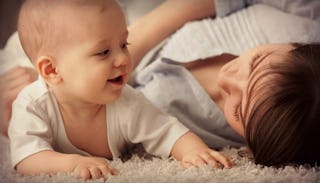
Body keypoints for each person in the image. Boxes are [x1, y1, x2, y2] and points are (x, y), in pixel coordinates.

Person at [1, 0, 320, 168]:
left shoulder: (273, 133)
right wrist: (126, 45)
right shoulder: (304, 23)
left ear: (251, 143)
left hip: (93, 92)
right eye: (256, 61)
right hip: (117, 28)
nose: (226, 78)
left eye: (236, 109)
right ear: (292, 45)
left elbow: (158, 128)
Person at [8, 0, 233, 180]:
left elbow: (165, 129)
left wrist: (193, 150)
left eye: (124, 44)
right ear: (52, 69)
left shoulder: (127, 102)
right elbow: (27, 158)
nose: (123, 59)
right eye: (104, 52)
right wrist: (72, 163)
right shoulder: (32, 104)